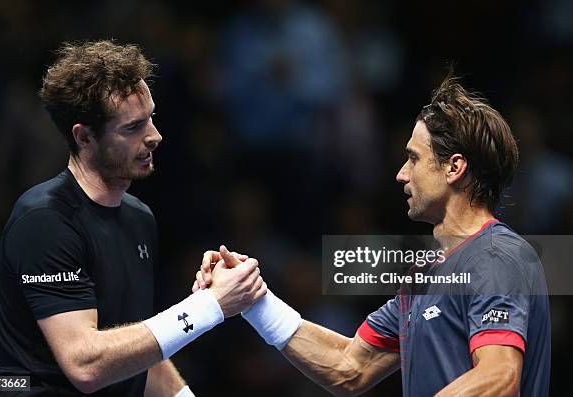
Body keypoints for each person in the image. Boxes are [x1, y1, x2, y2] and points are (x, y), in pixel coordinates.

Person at [194, 76, 551, 396]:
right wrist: (252, 299)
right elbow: (349, 367)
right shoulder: (423, 276)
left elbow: (500, 378)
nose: (400, 174)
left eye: (413, 159)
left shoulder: (497, 256)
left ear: (454, 168)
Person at [0, 40, 267, 397]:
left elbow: (136, 350)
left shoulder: (139, 218)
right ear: (84, 136)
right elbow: (85, 364)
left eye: (151, 117)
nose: (155, 135)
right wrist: (209, 306)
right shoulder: (43, 221)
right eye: (133, 127)